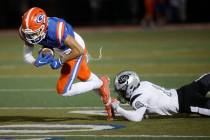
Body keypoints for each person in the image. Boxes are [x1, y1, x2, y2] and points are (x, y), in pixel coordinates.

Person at [18, 7, 113, 120]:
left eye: (34, 33)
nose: (31, 37)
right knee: (85, 76)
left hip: (73, 49)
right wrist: (38, 61)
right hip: (59, 48)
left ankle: (100, 83)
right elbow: (27, 56)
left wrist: (59, 61)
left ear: (44, 26)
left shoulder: (56, 30)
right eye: (29, 34)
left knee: (63, 90)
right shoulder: (26, 31)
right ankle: (109, 100)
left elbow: (78, 51)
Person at [111, 71, 210, 122]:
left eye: (122, 91)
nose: (121, 93)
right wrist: (121, 99)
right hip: (185, 91)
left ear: (130, 87)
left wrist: (118, 109)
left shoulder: (137, 98)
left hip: (187, 103)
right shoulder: (143, 83)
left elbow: (137, 118)